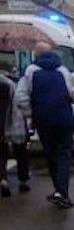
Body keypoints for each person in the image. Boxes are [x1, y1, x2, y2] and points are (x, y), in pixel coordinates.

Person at [14, 41, 74, 209]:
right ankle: (61, 192)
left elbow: (20, 96)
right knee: (64, 155)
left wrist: (31, 112)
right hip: (65, 119)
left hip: (43, 121)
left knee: (51, 155)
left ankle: (59, 192)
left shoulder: (29, 71)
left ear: (36, 54)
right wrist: (73, 97)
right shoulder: (63, 70)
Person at [0, 66, 31, 198]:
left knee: (1, 152)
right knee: (21, 150)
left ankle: (3, 179)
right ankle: (23, 180)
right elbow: (18, 103)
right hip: (14, 122)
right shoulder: (10, 83)